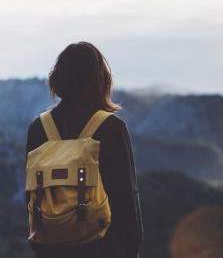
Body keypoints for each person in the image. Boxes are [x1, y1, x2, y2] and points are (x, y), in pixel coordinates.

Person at [25, 41, 143, 258]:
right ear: (101, 79)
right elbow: (126, 201)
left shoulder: (38, 128)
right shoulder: (111, 128)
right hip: (101, 249)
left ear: (57, 79)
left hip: (50, 249)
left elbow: (32, 198)